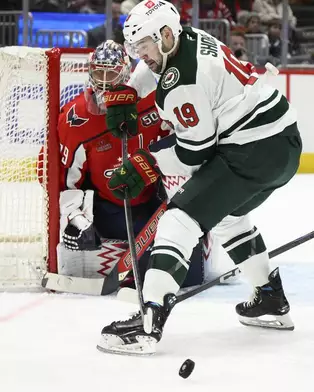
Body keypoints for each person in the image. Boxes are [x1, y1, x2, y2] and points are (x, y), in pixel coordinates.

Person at [96, 0, 302, 356]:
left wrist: (146, 162)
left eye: (143, 46)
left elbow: (195, 154)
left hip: (252, 150)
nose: (140, 55)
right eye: (136, 48)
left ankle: (150, 318)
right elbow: (158, 70)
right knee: (228, 219)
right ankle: (269, 297)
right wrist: (130, 90)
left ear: (163, 35)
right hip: (281, 142)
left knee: (179, 219)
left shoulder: (184, 83)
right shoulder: (185, 37)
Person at [51, 40, 209, 288]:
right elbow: (64, 179)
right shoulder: (77, 119)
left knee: (187, 236)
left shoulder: (152, 100)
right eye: (98, 72)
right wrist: (76, 219)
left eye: (111, 72)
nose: (104, 80)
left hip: (155, 197)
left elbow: (184, 143)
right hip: (110, 206)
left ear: (125, 73)